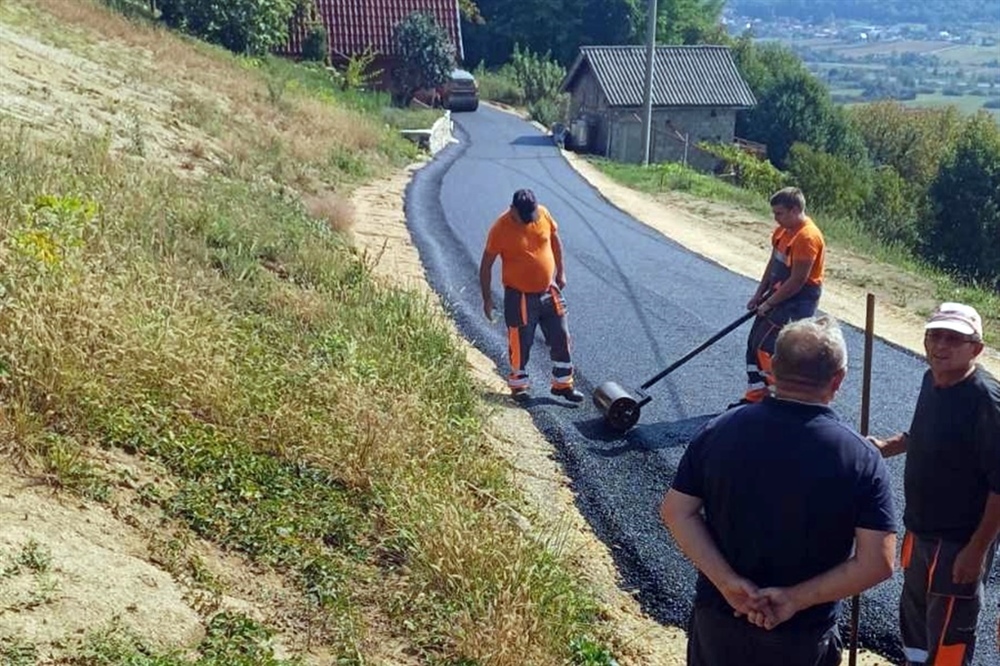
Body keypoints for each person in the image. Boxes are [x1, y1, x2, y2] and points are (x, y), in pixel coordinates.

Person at [661, 315, 896, 666]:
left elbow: (676, 512)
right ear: (839, 379)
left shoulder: (719, 431)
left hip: (719, 620)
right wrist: (793, 600)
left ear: (771, 367)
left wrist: (728, 584)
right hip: (801, 635)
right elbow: (877, 562)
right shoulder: (861, 459)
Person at [870, 302, 1000, 666]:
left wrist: (976, 550)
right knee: (915, 616)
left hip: (958, 540)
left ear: (976, 348)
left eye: (953, 339)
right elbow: (926, 432)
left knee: (948, 630)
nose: (941, 346)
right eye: (935, 336)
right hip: (920, 528)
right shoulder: (934, 378)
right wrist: (888, 446)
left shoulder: (986, 401)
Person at [479, 189, 584, 402]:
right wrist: (487, 299)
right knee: (521, 341)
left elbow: (554, 239)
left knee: (561, 335)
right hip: (520, 296)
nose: (529, 221)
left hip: (549, 290)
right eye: (523, 217)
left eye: (532, 216)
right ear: (513, 210)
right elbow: (486, 265)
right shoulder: (500, 228)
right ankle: (519, 386)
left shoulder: (543, 214)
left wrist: (561, 271)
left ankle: (563, 384)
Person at [735, 186, 826, 406]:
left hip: (797, 300)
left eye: (779, 213)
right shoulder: (783, 232)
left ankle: (778, 401)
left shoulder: (807, 238)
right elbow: (773, 264)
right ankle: (756, 396)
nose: (776, 219)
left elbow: (797, 281)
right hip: (776, 293)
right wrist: (759, 294)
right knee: (754, 343)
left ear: (795, 209)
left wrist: (769, 303)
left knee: (770, 348)